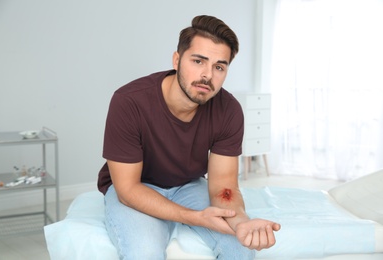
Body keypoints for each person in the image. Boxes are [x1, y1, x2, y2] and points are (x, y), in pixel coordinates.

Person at [98, 15, 281, 259]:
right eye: (198, 61)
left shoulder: (229, 110)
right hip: (138, 186)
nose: (207, 75)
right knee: (145, 252)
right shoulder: (129, 101)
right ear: (177, 60)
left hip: (188, 186)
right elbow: (128, 189)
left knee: (241, 247)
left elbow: (224, 186)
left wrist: (240, 222)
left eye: (219, 67)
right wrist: (194, 218)